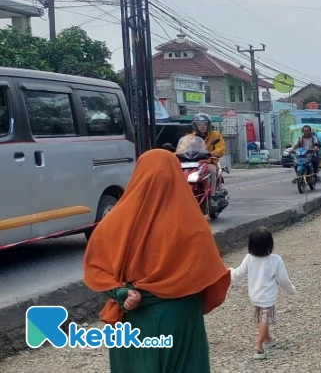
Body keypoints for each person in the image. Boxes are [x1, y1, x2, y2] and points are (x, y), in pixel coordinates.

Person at [82, 149, 231, 373]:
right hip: (180, 317)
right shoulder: (193, 226)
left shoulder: (113, 223)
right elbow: (211, 278)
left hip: (134, 318)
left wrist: (121, 293)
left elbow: (96, 269)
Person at [229, 226, 297, 360]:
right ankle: (259, 347)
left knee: (261, 319)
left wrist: (227, 271)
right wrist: (291, 290)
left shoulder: (249, 258)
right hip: (268, 298)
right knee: (265, 321)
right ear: (270, 244)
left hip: (255, 296)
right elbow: (282, 279)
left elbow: (238, 274)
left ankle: (267, 340)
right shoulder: (276, 260)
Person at [189, 113, 225, 209]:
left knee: (212, 171)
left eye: (205, 124)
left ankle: (211, 197)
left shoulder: (215, 135)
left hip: (209, 162)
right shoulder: (191, 137)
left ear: (208, 124)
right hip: (194, 163)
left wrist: (214, 153)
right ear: (195, 125)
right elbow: (184, 147)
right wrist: (175, 154)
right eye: (199, 124)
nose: (202, 126)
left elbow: (221, 149)